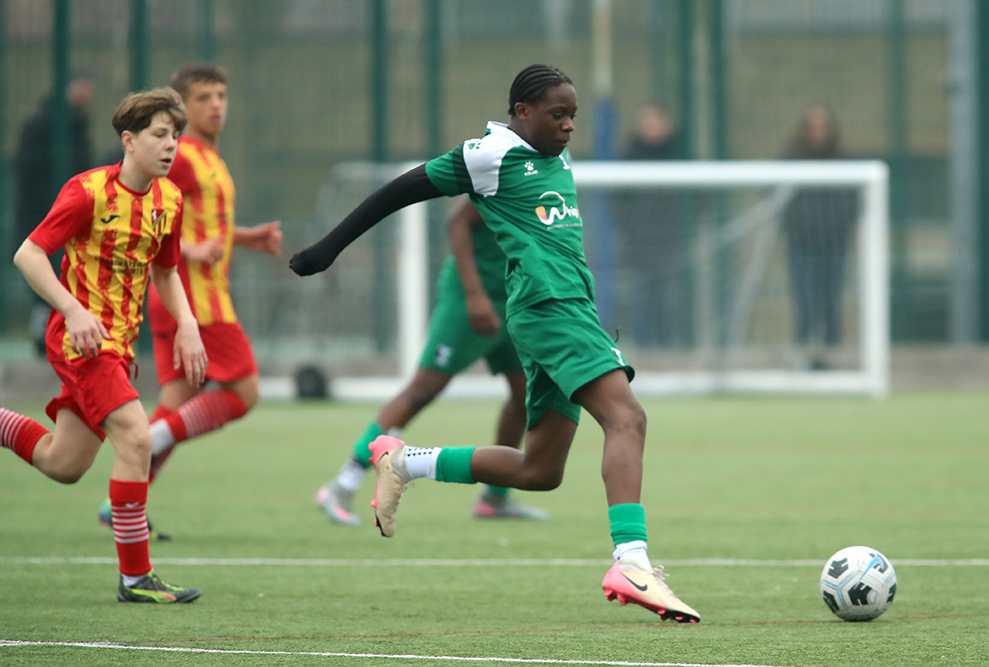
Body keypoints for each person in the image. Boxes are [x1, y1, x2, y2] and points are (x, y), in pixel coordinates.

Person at [290, 64, 701, 623]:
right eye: (557, 115)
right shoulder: (489, 154)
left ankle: (406, 462)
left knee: (540, 471)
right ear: (522, 112)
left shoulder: (555, 155)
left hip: (565, 309)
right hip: (550, 309)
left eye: (573, 116)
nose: (568, 126)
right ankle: (632, 562)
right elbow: (399, 191)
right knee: (627, 418)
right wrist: (328, 249)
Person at [0, 88, 205, 603]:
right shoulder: (88, 191)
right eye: (160, 135)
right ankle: (136, 578)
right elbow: (29, 255)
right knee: (137, 439)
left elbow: (166, 271)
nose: (171, 145)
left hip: (119, 346)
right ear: (128, 140)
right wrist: (72, 309)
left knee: (63, 464)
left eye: (176, 136)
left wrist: (187, 323)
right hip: (82, 343)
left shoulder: (169, 200)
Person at [95, 63, 283, 534]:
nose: (216, 105)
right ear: (182, 108)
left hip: (177, 302)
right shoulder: (179, 156)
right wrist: (189, 250)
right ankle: (151, 440)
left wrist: (243, 238)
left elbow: (193, 222)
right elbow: (137, 203)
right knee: (244, 393)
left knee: (179, 402)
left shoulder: (208, 157)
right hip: (195, 302)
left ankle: (121, 504)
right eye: (203, 98)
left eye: (221, 95)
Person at [315, 198, 547, 525]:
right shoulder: (508, 172)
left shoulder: (552, 178)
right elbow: (457, 221)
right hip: (470, 298)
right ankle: (342, 486)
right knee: (422, 391)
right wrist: (475, 295)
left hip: (515, 298)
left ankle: (494, 498)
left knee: (526, 394)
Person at [13, 69, 96, 357]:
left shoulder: (79, 126)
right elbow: (26, 172)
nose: (86, 93)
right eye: (81, 85)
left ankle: (57, 340)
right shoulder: (40, 125)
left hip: (72, 221)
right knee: (44, 282)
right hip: (41, 219)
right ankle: (44, 340)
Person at [780, 104, 859, 370]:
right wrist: (795, 227)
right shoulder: (790, 162)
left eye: (822, 127)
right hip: (801, 244)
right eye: (812, 127)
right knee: (805, 303)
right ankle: (802, 353)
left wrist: (840, 227)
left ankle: (831, 355)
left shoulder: (843, 163)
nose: (818, 133)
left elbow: (853, 202)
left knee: (831, 303)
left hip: (835, 244)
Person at [618, 102, 684, 347]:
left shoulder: (680, 154)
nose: (650, 126)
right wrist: (633, 226)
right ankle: (644, 350)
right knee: (642, 299)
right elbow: (617, 201)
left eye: (655, 121)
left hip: (673, 243)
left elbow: (701, 199)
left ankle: (668, 349)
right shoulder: (629, 156)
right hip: (640, 244)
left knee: (668, 301)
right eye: (646, 121)